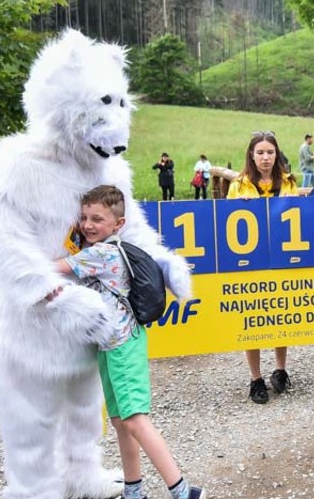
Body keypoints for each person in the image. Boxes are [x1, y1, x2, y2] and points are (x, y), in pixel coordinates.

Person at [53, 185, 206, 499]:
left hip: (123, 346)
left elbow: (58, 268)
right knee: (121, 421)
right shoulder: (106, 248)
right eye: (84, 217)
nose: (88, 224)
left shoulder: (103, 253)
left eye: (97, 218)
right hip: (112, 346)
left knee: (135, 420)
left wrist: (23, 257)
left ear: (117, 224)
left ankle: (184, 491)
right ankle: (134, 491)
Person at [227, 132, 297, 404]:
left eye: (270, 152)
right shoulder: (238, 185)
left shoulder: (289, 182)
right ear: (252, 156)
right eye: (260, 153)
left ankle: (280, 369)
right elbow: (227, 220)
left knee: (281, 314)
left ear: (276, 154)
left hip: (281, 256)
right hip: (252, 260)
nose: (266, 158)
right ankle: (255, 378)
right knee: (253, 318)